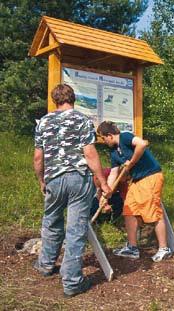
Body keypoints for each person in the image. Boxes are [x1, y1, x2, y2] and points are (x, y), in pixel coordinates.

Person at [33, 84, 111, 297]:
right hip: (78, 178)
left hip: (54, 180)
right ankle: (72, 282)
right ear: (73, 99)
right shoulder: (82, 120)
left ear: (54, 100)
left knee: (51, 221)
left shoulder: (43, 123)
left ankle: (45, 265)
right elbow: (90, 153)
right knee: (76, 229)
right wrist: (103, 182)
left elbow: (38, 158)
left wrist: (42, 180)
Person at [96, 121, 171, 262]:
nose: (104, 141)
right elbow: (113, 174)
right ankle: (132, 248)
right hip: (136, 182)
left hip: (151, 176)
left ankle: (164, 248)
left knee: (152, 212)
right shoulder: (113, 153)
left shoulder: (125, 137)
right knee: (129, 211)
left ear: (110, 135)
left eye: (103, 138)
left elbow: (142, 144)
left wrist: (131, 162)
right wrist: (107, 192)